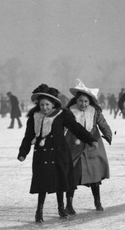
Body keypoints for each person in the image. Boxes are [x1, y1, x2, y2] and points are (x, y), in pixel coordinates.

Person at [18, 85, 97, 222]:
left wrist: (89, 139)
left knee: (60, 180)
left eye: (47, 104)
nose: (44, 108)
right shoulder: (35, 116)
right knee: (42, 182)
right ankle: (39, 210)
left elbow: (75, 127)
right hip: (41, 154)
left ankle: (61, 207)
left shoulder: (62, 114)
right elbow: (28, 135)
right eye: (42, 104)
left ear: (53, 103)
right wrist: (23, 152)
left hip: (59, 153)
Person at [64, 80, 113, 212]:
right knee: (72, 176)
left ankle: (97, 202)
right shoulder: (69, 112)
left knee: (94, 177)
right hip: (74, 148)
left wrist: (108, 134)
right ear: (76, 100)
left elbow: (103, 123)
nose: (83, 104)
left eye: (86, 101)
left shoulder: (94, 112)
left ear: (90, 102)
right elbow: (62, 126)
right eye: (80, 101)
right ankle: (69, 204)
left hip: (92, 147)